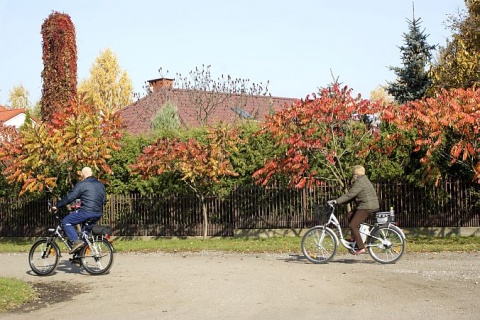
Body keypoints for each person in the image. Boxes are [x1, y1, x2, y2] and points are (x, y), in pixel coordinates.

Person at [51, 167, 106, 254]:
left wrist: (57, 206)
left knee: (66, 222)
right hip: (98, 213)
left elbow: (70, 197)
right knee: (84, 236)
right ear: (91, 173)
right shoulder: (101, 185)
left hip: (86, 212)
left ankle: (75, 241)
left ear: (82, 174)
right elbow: (103, 200)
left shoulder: (82, 184)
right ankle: (80, 258)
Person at [328, 165, 379, 255]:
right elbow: (352, 196)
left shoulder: (360, 182)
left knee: (353, 225)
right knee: (349, 215)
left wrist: (336, 201)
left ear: (356, 175)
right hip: (368, 205)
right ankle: (354, 239)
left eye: (354, 175)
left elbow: (350, 195)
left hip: (367, 206)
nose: (353, 177)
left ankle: (361, 247)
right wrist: (339, 202)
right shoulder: (364, 180)